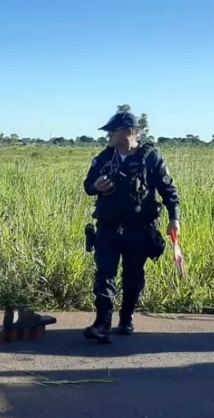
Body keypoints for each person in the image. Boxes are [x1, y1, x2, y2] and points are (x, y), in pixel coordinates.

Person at [82, 110, 181, 343]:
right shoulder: (104, 158)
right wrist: (96, 186)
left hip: (139, 229)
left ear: (128, 132)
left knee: (133, 277)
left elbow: (169, 191)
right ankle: (102, 325)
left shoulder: (151, 158)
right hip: (108, 228)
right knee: (104, 274)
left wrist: (173, 218)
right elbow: (88, 186)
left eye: (112, 132)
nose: (108, 136)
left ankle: (126, 319)